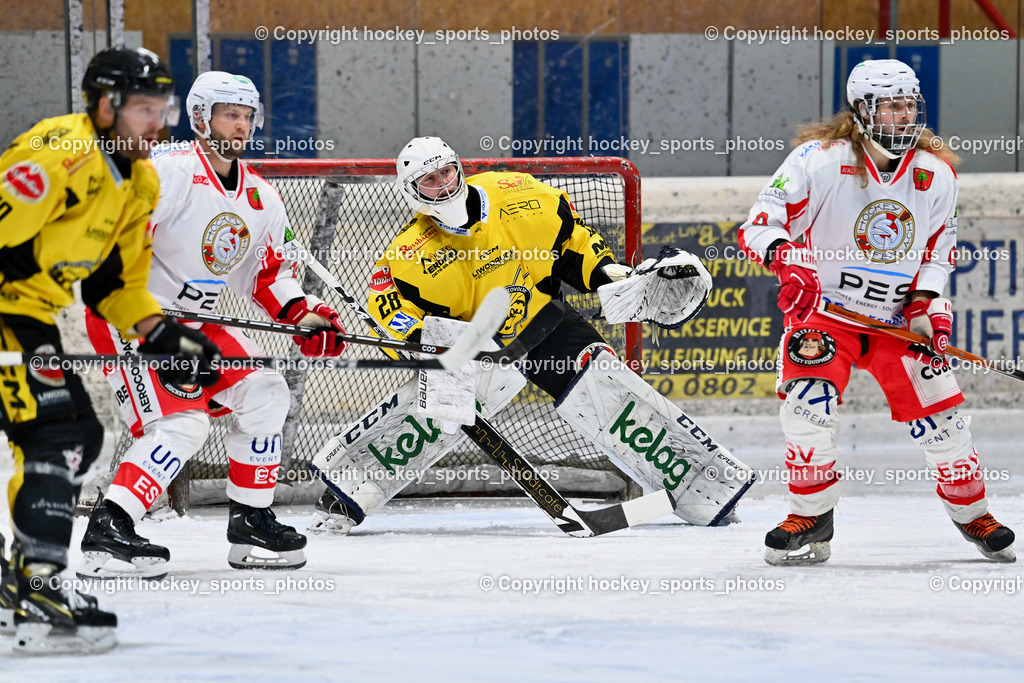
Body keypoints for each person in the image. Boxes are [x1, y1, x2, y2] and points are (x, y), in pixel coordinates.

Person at [310, 136, 754, 534]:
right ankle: (345, 491)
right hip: (476, 345)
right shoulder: (407, 256)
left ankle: (704, 486)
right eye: (428, 180)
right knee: (435, 410)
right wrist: (421, 348)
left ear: (459, 168)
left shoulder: (517, 194)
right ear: (411, 191)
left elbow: (570, 247)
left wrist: (612, 275)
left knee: (607, 388)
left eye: (446, 171)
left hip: (542, 321)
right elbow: (390, 313)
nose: (442, 184)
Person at [739, 59, 1016, 565]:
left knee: (945, 421)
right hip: (826, 315)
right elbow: (759, 225)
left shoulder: (936, 174)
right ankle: (811, 514)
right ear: (863, 111)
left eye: (910, 104)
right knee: (806, 408)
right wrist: (789, 262)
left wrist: (928, 304)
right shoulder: (818, 161)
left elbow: (938, 250)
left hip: (894, 322)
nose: (904, 115)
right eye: (892, 105)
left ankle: (972, 512)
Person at [77, 70, 348, 578]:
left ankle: (250, 520)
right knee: (184, 422)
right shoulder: (169, 172)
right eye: (230, 114)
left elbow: (268, 275)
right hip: (133, 318)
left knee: (266, 389)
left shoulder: (262, 197)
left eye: (247, 116)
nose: (241, 125)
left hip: (199, 324)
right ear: (201, 118)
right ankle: (108, 530)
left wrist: (304, 316)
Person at [0, 47, 220, 654]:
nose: (160, 122)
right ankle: (35, 586)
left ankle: (23, 577)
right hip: (5, 310)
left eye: (164, 108)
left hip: (27, 314)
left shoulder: (141, 181)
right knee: (57, 433)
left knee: (77, 434)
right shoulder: (57, 154)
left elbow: (113, 286)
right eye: (145, 109)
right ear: (103, 106)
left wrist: (164, 336)